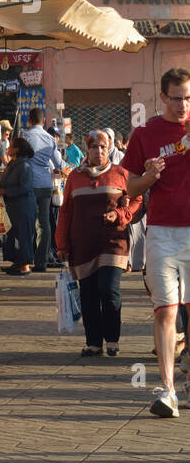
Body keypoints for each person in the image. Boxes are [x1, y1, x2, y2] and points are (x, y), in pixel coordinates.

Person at [122, 68, 190, 417]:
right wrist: (149, 176)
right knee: (166, 309)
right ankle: (166, 390)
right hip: (162, 231)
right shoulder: (145, 134)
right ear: (163, 97)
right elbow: (130, 188)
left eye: (188, 98)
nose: (183, 105)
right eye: (177, 98)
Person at [56, 129, 139, 357]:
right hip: (83, 244)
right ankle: (93, 343)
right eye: (94, 147)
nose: (99, 151)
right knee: (89, 294)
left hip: (113, 242)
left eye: (103, 147)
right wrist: (61, 244)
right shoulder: (75, 177)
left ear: (109, 148)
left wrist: (120, 214)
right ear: (88, 149)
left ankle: (112, 339)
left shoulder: (121, 174)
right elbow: (65, 212)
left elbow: (137, 200)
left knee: (109, 289)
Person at [23, 108, 65, 271]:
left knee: (28, 222)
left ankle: (26, 260)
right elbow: (58, 162)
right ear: (43, 122)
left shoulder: (25, 136)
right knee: (44, 223)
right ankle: (41, 261)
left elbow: (20, 158)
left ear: (29, 120)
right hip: (46, 185)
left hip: (29, 185)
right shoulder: (50, 139)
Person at [0, 137, 37, 275]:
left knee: (23, 235)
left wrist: (6, 191)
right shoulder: (13, 163)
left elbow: (25, 187)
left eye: (11, 146)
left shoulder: (24, 166)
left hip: (23, 205)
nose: (7, 148)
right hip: (14, 205)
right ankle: (17, 263)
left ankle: (24, 266)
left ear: (17, 150)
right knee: (13, 234)